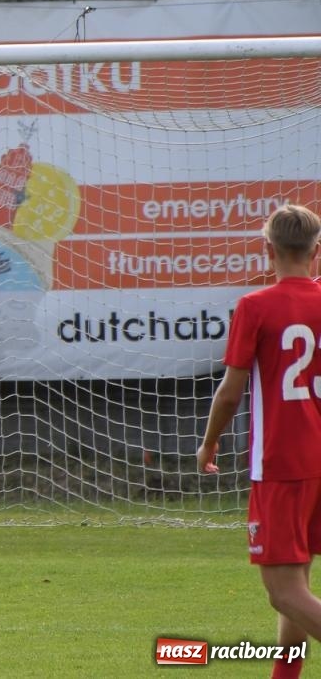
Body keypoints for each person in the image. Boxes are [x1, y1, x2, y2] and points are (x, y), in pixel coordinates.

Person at [199, 203, 321, 679]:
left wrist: (209, 444)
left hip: (282, 463)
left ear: (266, 249)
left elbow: (230, 392)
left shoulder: (255, 306)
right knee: (299, 578)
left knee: (284, 591)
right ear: (316, 251)